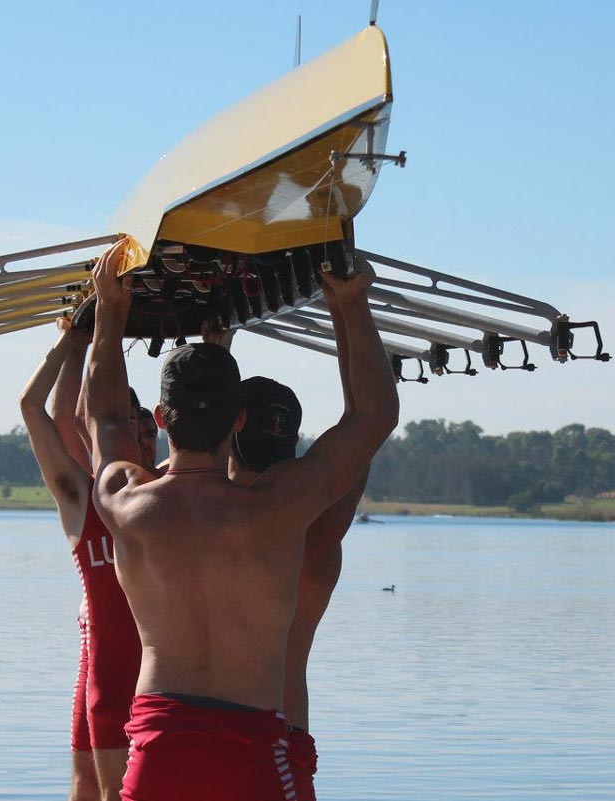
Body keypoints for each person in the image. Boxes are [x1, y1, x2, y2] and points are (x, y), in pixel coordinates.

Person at [82, 243, 397, 801]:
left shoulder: (128, 503)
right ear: (240, 417)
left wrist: (110, 310)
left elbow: (103, 417)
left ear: (159, 418)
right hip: (252, 749)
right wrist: (352, 304)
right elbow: (372, 418)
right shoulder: (276, 509)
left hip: (157, 748)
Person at [214, 337, 368, 801]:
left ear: (230, 428)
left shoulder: (190, 517)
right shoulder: (322, 530)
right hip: (285, 732)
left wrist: (215, 350)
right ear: (295, 444)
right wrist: (349, 315)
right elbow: (362, 424)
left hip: (197, 737)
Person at [19, 319, 155, 801]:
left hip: (164, 676)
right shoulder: (84, 498)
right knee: (87, 785)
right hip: (105, 670)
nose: (140, 444)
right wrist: (72, 343)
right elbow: (43, 412)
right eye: (128, 431)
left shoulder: (175, 493)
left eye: (148, 432)